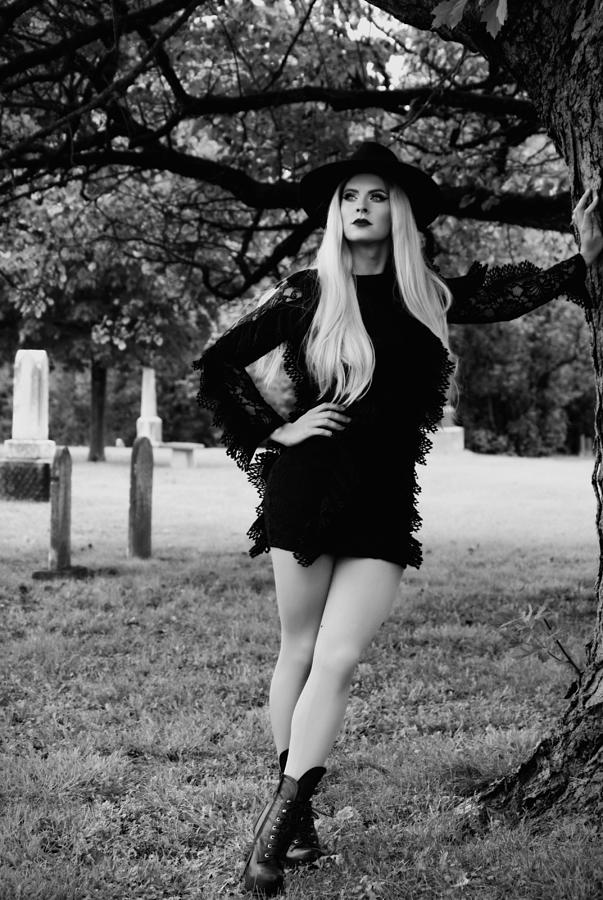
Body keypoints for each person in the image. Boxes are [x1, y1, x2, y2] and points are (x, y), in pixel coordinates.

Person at [192, 142, 602, 896]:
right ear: (333, 212)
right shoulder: (305, 294)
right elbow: (217, 363)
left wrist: (584, 255)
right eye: (348, 194)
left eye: (376, 195)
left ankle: (273, 832)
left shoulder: (429, 297)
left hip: (383, 501)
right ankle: (300, 827)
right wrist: (275, 430)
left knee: (339, 658)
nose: (360, 205)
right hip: (305, 490)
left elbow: (517, 294)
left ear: (397, 211)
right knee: (300, 649)